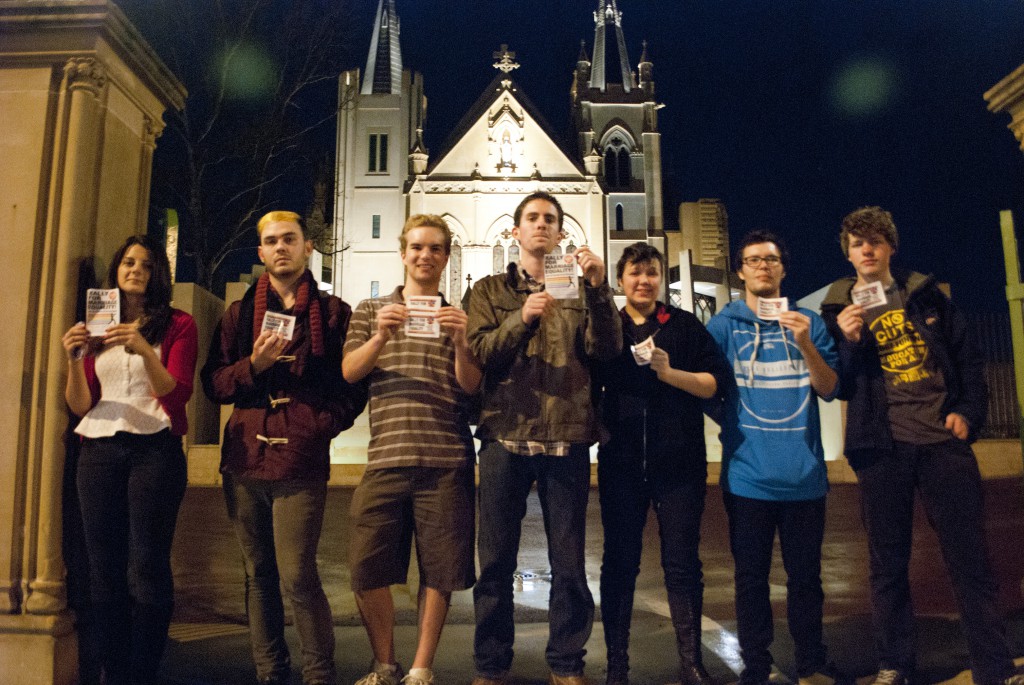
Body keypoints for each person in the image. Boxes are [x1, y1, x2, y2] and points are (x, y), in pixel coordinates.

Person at [820, 206, 1024, 685]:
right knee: (887, 565)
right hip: (882, 449)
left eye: (874, 241)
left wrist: (968, 415)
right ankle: (895, 665)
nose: (866, 250)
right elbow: (841, 386)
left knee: (968, 558)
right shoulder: (837, 308)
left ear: (891, 247)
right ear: (848, 254)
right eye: (856, 243)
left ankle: (992, 667)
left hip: (941, 445)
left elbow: (968, 362)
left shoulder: (925, 295)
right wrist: (848, 341)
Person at [201, 211, 366, 685]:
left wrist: (320, 425)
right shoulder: (238, 314)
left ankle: (319, 673)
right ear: (261, 253)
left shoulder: (334, 314)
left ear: (307, 246)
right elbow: (213, 384)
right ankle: (269, 671)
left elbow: (354, 387)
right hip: (245, 461)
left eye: (289, 239)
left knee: (297, 575)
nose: (280, 248)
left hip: (300, 460)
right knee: (258, 575)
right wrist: (252, 364)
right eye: (271, 241)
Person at [466, 191, 621, 685]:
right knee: (494, 562)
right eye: (531, 218)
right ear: (515, 232)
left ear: (560, 232)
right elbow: (479, 352)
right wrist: (522, 316)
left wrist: (598, 289)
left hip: (566, 437)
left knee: (569, 563)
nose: (540, 226)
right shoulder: (489, 290)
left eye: (549, 219)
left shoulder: (577, 289)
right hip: (504, 435)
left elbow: (608, 349)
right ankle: (491, 665)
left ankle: (567, 663)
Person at [342, 215, 481, 685]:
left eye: (436, 248)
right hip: (386, 455)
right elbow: (349, 372)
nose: (426, 255)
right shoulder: (369, 310)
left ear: (445, 258)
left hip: (445, 458)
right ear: (403, 254)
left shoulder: (458, 315)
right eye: (417, 247)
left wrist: (463, 341)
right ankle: (385, 663)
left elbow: (471, 387)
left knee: (439, 569)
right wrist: (381, 335)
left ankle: (421, 668)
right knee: (366, 566)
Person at [705, 231, 843, 685]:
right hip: (748, 478)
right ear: (740, 270)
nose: (763, 266)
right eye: (753, 260)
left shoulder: (809, 323)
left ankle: (812, 662)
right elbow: (710, 389)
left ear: (783, 269)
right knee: (750, 580)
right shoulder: (724, 327)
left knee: (806, 579)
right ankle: (756, 666)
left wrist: (805, 343)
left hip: (804, 476)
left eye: (771, 259)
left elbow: (828, 389)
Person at [62, 234, 198, 685]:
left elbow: (176, 394)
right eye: (127, 262)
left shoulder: (178, 324)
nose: (135, 269)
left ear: (157, 273)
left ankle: (142, 673)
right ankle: (113, 671)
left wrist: (142, 347)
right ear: (116, 271)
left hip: (153, 450)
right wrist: (73, 358)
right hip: (97, 449)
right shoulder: (99, 324)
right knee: (103, 571)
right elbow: (80, 405)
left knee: (146, 569)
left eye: (144, 263)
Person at [594, 242, 730, 685]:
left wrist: (670, 373)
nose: (643, 281)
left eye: (651, 272)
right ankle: (617, 666)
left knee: (682, 563)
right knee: (619, 563)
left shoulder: (685, 326)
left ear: (660, 280)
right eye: (634, 273)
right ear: (620, 281)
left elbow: (714, 385)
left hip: (680, 466)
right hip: (623, 465)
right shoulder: (607, 330)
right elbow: (587, 386)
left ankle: (691, 662)